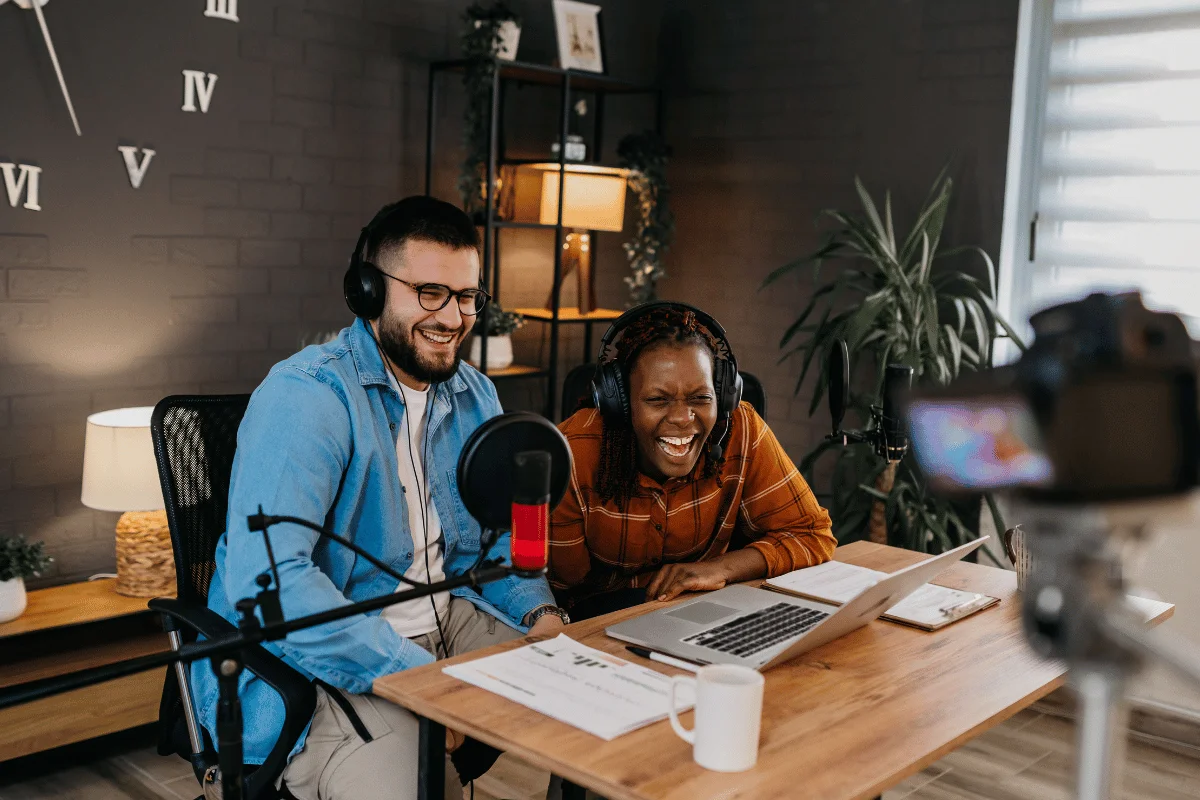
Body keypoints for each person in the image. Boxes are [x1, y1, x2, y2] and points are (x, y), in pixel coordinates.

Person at [193, 196, 569, 800]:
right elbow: (274, 586)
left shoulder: (475, 396)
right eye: (429, 292)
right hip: (327, 654)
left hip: (451, 619)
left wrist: (542, 619)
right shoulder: (308, 396)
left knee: (599, 716)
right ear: (369, 290)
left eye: (468, 296)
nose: (453, 317)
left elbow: (492, 545)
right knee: (415, 789)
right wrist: (417, 679)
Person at [549, 302, 836, 615]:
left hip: (702, 611)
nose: (683, 418)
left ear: (723, 395)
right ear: (621, 403)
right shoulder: (572, 451)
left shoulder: (742, 430)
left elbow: (812, 535)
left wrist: (721, 568)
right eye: (658, 400)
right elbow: (557, 584)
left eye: (701, 398)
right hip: (599, 621)